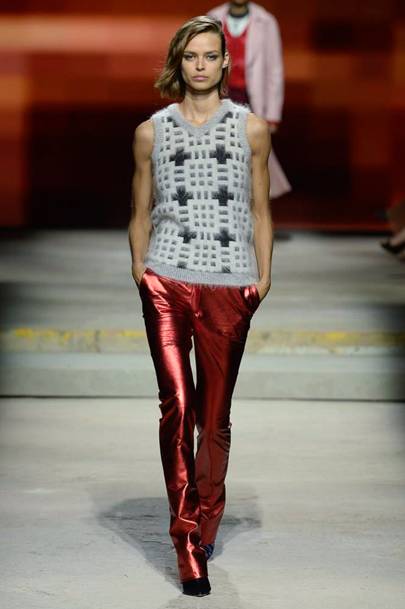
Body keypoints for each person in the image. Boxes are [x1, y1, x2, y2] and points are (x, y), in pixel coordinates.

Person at [128, 15, 273, 597]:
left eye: (210, 56)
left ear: (224, 62)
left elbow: (260, 209)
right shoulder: (151, 132)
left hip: (229, 283)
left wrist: (262, 280)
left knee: (213, 418)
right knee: (177, 406)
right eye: (191, 56)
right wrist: (142, 272)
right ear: (178, 61)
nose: (200, 66)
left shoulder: (250, 129)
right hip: (166, 279)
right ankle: (186, 540)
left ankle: (208, 516)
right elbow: (140, 210)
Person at [207, 0, 291, 199]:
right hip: (220, 97)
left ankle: (253, 206)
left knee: (252, 153)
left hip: (251, 98)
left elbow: (274, 69)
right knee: (219, 152)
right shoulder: (213, 17)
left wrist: (272, 114)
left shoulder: (266, 21)